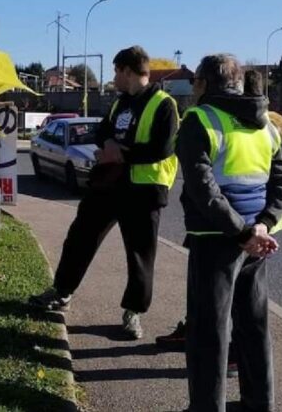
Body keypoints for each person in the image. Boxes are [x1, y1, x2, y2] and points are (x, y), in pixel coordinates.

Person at [28, 46, 179, 339]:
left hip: (144, 190)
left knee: (139, 255)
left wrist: (120, 154)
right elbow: (102, 131)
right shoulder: (119, 103)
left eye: (116, 72)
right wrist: (108, 143)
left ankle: (133, 313)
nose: (114, 78)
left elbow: (164, 148)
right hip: (109, 184)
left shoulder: (164, 104)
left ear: (128, 70)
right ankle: (61, 292)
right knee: (80, 236)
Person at [177, 54, 282, 412]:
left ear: (202, 84)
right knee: (254, 327)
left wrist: (244, 232)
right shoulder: (266, 125)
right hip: (258, 242)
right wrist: (264, 225)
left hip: (218, 240)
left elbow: (203, 189)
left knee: (208, 333)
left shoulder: (199, 119)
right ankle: (260, 404)